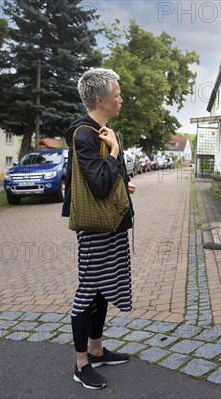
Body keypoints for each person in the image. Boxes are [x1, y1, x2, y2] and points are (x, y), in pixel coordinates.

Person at [62, 68, 136, 389]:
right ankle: (81, 364)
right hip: (95, 227)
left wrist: (125, 183)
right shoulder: (84, 133)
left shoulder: (104, 130)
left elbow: (114, 178)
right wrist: (115, 152)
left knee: (104, 287)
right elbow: (99, 183)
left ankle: (96, 349)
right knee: (88, 289)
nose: (121, 98)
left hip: (112, 223)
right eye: (117, 94)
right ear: (100, 99)